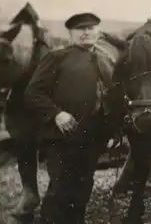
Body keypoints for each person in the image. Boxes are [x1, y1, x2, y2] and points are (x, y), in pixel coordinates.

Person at [24, 12, 116, 224]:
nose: (86, 32)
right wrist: (57, 114)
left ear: (98, 32)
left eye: (91, 28)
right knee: (60, 190)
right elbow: (33, 93)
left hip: (92, 137)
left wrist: (113, 132)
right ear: (71, 34)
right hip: (63, 138)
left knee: (83, 188)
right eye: (80, 29)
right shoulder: (57, 58)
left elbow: (112, 99)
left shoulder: (104, 61)